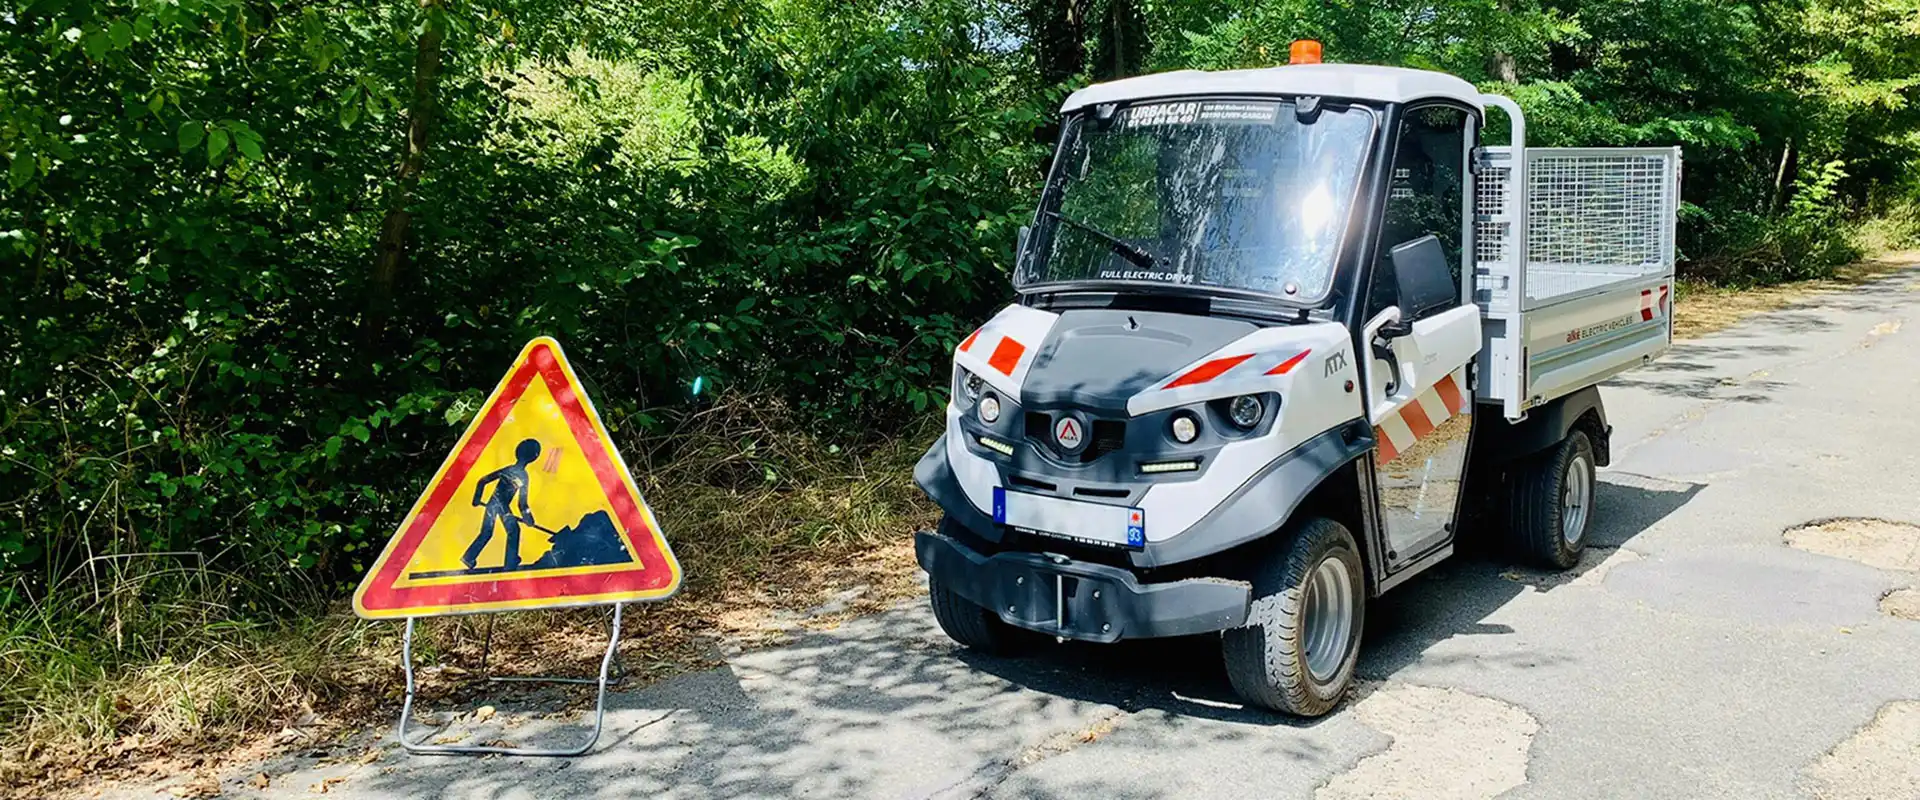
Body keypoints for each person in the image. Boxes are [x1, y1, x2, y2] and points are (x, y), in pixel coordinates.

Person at [462, 438, 540, 570]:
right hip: (502, 506)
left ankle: (469, 557)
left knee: (486, 532)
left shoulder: (508, 470)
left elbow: (482, 481)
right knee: (513, 531)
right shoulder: (523, 476)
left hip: (493, 504)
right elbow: (522, 504)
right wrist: (528, 518)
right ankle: (510, 563)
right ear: (534, 457)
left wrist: (477, 498)